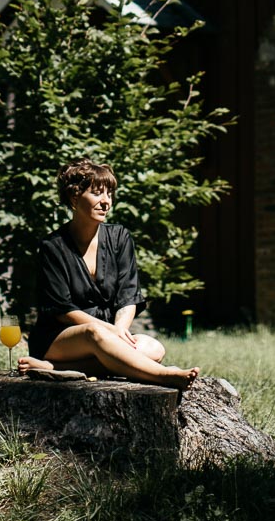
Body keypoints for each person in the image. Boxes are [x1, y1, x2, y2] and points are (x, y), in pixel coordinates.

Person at [14, 158, 200, 388]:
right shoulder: (52, 247)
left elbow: (128, 296)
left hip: (108, 335)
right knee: (94, 333)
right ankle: (163, 375)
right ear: (74, 197)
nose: (106, 202)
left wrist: (119, 330)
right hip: (59, 338)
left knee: (153, 347)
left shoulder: (120, 237)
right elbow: (63, 311)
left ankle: (54, 368)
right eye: (97, 193)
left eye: (109, 194)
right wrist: (110, 331)